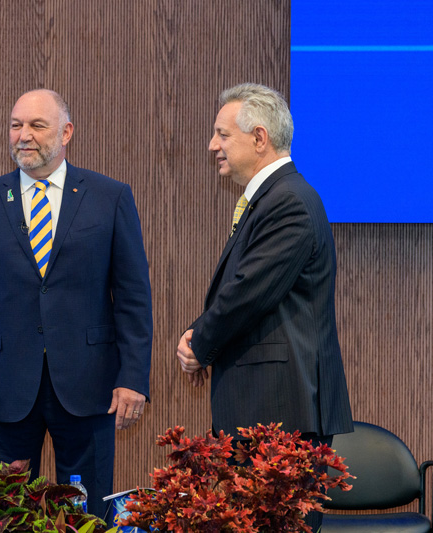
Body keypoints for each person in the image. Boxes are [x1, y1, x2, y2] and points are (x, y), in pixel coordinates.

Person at [0, 89, 153, 515]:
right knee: (5, 514)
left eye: (37, 125)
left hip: (89, 386)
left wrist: (133, 377)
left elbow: (133, 298)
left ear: (66, 132)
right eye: (16, 125)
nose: (24, 136)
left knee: (86, 514)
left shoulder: (110, 197)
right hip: (4, 389)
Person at [175, 83, 353, 529]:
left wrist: (200, 343)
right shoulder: (273, 199)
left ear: (259, 138)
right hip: (268, 411)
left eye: (222, 134)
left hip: (281, 411)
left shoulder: (288, 201)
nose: (211, 145)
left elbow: (247, 293)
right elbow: (244, 287)